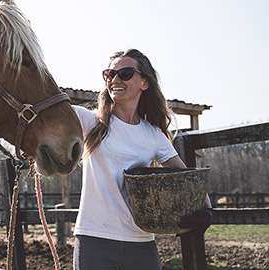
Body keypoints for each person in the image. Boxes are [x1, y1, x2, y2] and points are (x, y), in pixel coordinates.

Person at [72, 49, 213, 270]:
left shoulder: (154, 135)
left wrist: (207, 210)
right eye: (110, 74)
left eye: (125, 73)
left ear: (144, 83)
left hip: (140, 242)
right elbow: (45, 109)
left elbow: (187, 177)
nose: (115, 79)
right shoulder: (89, 122)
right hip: (94, 238)